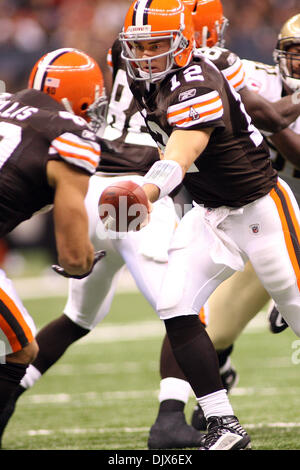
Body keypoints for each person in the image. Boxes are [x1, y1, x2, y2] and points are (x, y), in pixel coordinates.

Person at [117, 0, 300, 450]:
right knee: (176, 305)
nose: (145, 57)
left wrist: (146, 192)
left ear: (180, 42)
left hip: (261, 209)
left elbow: (180, 155)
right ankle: (223, 424)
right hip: (209, 212)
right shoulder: (147, 83)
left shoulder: (198, 80)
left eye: (156, 45)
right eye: (138, 48)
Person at [191, 12, 300, 431]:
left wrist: (266, 123)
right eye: (297, 54)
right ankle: (221, 374)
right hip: (255, 218)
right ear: (280, 54)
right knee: (214, 333)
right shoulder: (253, 78)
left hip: (289, 213)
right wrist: (266, 120)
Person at [0, 47, 105, 447]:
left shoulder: (6, 103)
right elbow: (72, 250)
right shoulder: (71, 135)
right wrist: (79, 265)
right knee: (21, 352)